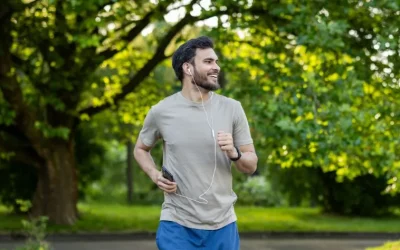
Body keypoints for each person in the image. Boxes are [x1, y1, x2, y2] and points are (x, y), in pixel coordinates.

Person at [134, 36, 258, 250]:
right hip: (177, 223)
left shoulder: (232, 109)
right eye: (208, 62)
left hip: (223, 224)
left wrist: (235, 153)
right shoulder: (161, 111)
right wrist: (155, 175)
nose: (216, 67)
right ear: (188, 68)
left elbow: (251, 164)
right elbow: (141, 149)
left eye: (216, 62)